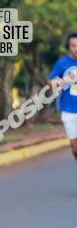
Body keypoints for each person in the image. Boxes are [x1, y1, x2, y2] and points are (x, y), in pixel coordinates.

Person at [47, 31, 77, 160]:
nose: (76, 48)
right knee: (74, 147)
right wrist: (66, 80)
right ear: (69, 47)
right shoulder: (62, 63)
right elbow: (50, 82)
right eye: (73, 45)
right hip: (69, 110)